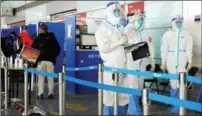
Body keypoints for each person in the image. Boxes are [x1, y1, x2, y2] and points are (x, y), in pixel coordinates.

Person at [95, 2, 129, 115]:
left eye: (119, 10)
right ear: (109, 12)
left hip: (122, 65)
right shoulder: (102, 28)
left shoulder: (119, 27)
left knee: (122, 96)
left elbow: (122, 47)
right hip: (111, 67)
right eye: (115, 11)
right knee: (110, 96)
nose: (118, 13)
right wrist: (119, 42)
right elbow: (104, 48)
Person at [124, 10, 155, 115]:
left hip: (142, 63)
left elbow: (150, 47)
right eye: (139, 19)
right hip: (132, 63)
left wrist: (152, 61)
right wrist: (134, 21)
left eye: (142, 19)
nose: (141, 21)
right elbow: (126, 31)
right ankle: (134, 110)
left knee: (140, 85)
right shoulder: (131, 30)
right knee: (132, 84)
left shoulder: (146, 33)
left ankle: (133, 108)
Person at [160, 15, 193, 114]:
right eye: (177, 21)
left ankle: (180, 106)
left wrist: (190, 60)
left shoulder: (186, 34)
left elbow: (189, 49)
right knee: (173, 82)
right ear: (172, 22)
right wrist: (163, 62)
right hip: (170, 59)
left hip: (182, 58)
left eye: (180, 21)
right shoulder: (167, 34)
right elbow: (164, 49)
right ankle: (175, 105)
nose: (179, 23)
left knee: (181, 83)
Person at [32, 23, 61, 99]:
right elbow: (58, 49)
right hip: (50, 62)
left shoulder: (38, 39)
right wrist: (53, 57)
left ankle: (40, 93)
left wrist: (34, 62)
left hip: (41, 62)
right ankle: (50, 93)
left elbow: (34, 51)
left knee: (41, 78)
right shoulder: (52, 38)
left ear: (41, 29)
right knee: (50, 78)